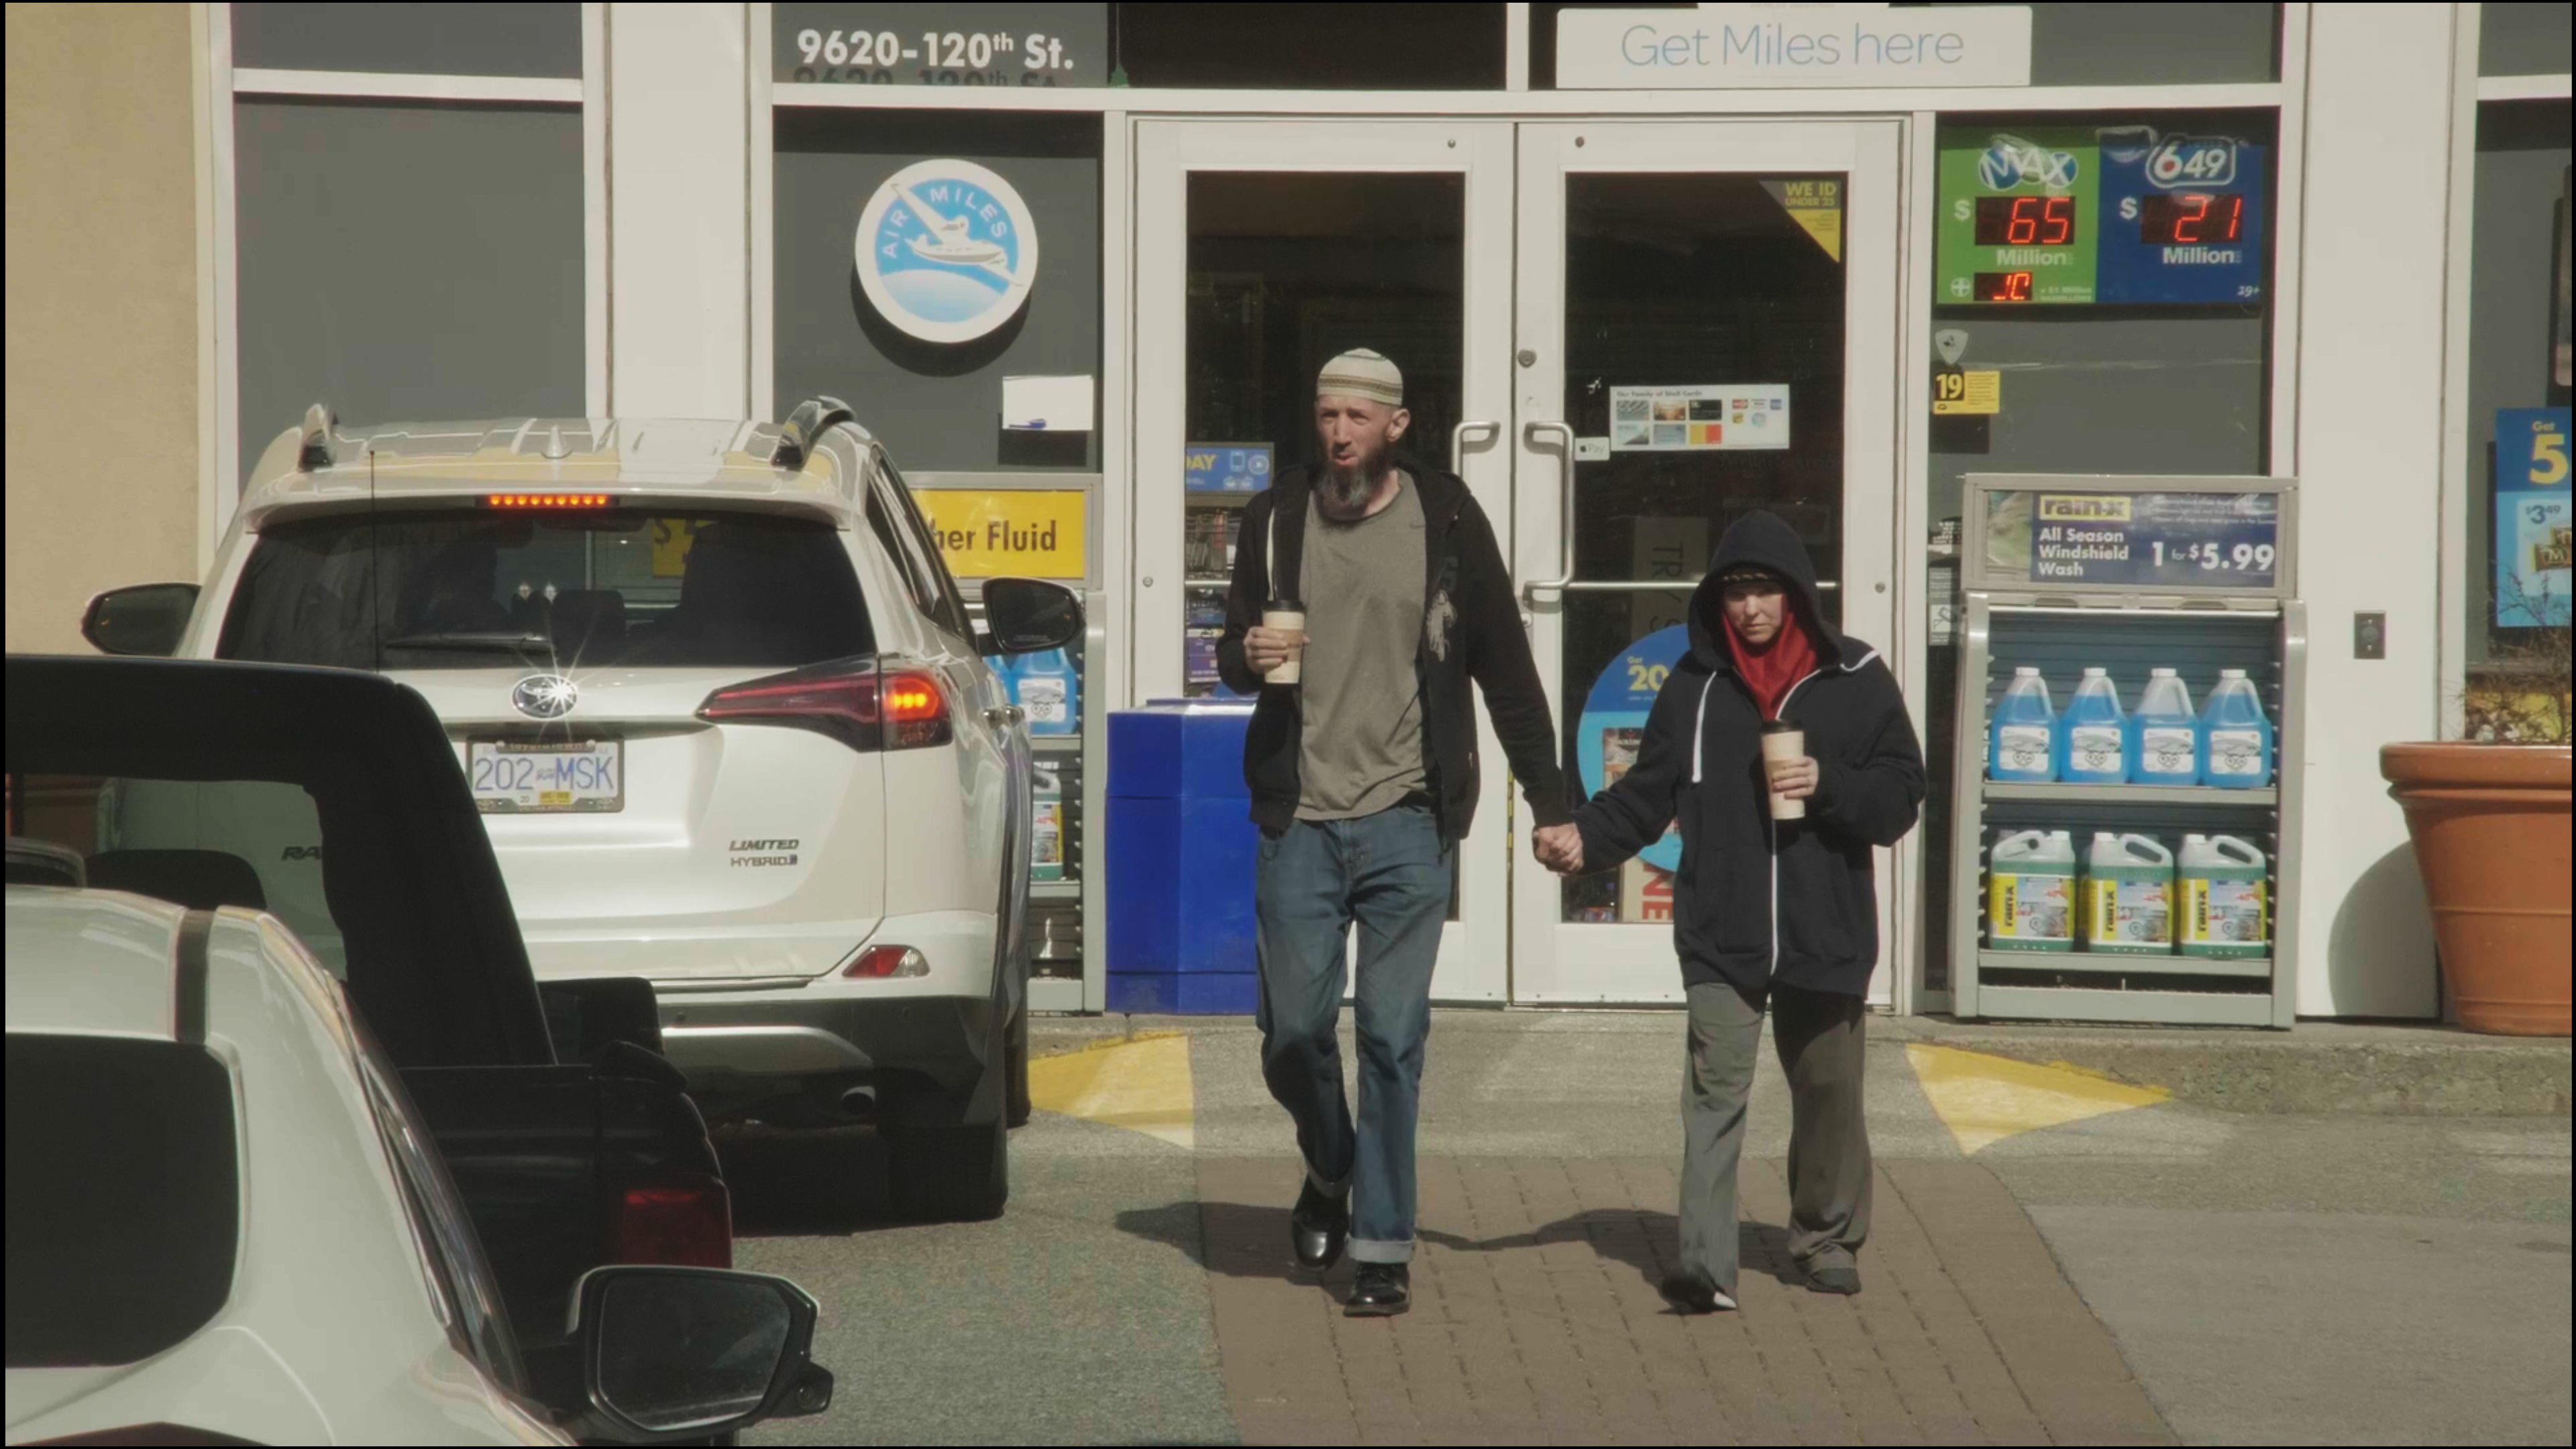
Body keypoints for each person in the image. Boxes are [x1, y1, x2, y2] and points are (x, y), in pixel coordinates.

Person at [1218, 348, 1580, 1318]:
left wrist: (1553, 803)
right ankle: (1330, 1165)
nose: (1338, 432)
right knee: (1293, 1034)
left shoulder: (1447, 519)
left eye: (1357, 417)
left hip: (1409, 818)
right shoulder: (1275, 515)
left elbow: (1504, 666)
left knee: (1389, 1034)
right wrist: (1246, 658)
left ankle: (1381, 1246)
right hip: (1299, 813)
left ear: (1397, 426)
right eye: (1326, 413)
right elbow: (1233, 644)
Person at [1536, 511, 1923, 1311]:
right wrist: (1584, 839)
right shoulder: (1693, 687)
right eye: (1736, 591)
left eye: (1766, 590)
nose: (1750, 608)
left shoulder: (1858, 676)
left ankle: (1824, 1237)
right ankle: (1705, 1268)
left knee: (1829, 1094)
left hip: (1828, 931)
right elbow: (1645, 799)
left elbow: (1899, 799)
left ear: (1796, 596)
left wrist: (1830, 785)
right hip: (1722, 930)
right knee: (1713, 1095)